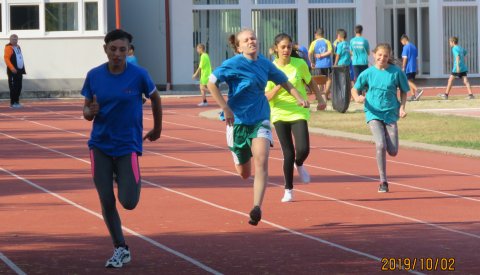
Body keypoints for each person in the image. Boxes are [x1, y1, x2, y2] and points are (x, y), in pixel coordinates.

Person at [207, 29, 309, 225]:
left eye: (253, 38)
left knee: (262, 161)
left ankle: (257, 207)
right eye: (246, 40)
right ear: (239, 47)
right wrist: (225, 107)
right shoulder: (232, 64)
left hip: (260, 118)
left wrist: (299, 98)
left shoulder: (264, 63)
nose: (251, 41)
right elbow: (211, 83)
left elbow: (284, 82)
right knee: (244, 173)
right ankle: (239, 154)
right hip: (236, 121)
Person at [81, 29, 163, 268]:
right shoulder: (94, 76)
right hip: (100, 145)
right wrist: (90, 113)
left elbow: (156, 98)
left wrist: (158, 128)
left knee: (128, 201)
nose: (117, 54)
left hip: (127, 145)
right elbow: (86, 110)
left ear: (129, 51)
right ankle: (120, 248)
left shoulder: (139, 75)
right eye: (113, 49)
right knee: (106, 200)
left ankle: (126, 176)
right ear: (105, 49)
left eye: (122, 50)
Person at [265, 33, 320, 202]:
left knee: (303, 149)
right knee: (288, 153)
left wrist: (321, 98)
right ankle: (288, 189)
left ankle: (300, 163)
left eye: (289, 47)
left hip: (298, 110)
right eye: (282, 47)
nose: (286, 50)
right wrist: (281, 86)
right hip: (279, 112)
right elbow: (266, 96)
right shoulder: (270, 68)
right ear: (276, 49)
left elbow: (310, 82)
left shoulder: (299, 64)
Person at [351, 43, 409, 193]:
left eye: (385, 55)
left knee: (393, 151)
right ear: (374, 55)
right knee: (380, 145)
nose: (382, 58)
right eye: (380, 55)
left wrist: (402, 108)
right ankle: (383, 181)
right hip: (373, 113)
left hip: (390, 113)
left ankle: (387, 139)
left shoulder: (396, 72)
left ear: (389, 57)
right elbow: (354, 88)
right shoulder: (368, 73)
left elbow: (404, 91)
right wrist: (357, 97)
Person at [308, 28, 333, 99]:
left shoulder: (314, 42)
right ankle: (325, 94)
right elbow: (330, 51)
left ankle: (319, 95)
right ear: (323, 34)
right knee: (328, 79)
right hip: (327, 64)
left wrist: (311, 62)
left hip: (318, 64)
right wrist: (322, 55)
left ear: (316, 34)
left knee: (320, 80)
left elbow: (309, 53)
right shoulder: (327, 41)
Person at [4, 34, 26, 108]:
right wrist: (12, 68)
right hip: (12, 71)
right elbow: (6, 58)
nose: (15, 41)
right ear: (10, 40)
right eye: (13, 39)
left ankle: (17, 101)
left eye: (16, 39)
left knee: (19, 86)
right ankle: (13, 103)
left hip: (19, 70)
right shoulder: (8, 47)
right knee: (13, 87)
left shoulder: (18, 47)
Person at [400, 34, 423, 101]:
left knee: (406, 81)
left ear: (404, 40)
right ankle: (413, 96)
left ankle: (418, 90)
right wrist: (417, 67)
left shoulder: (406, 47)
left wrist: (403, 67)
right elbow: (416, 58)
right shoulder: (413, 47)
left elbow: (405, 58)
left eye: (402, 42)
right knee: (411, 81)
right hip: (413, 66)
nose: (402, 44)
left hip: (408, 67)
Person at [350, 25, 370, 92]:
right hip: (364, 61)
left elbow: (351, 52)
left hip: (355, 61)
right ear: (362, 31)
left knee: (357, 77)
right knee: (365, 77)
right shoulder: (365, 40)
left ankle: (359, 93)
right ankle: (366, 92)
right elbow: (368, 52)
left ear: (354, 31)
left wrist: (355, 55)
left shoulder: (352, 41)